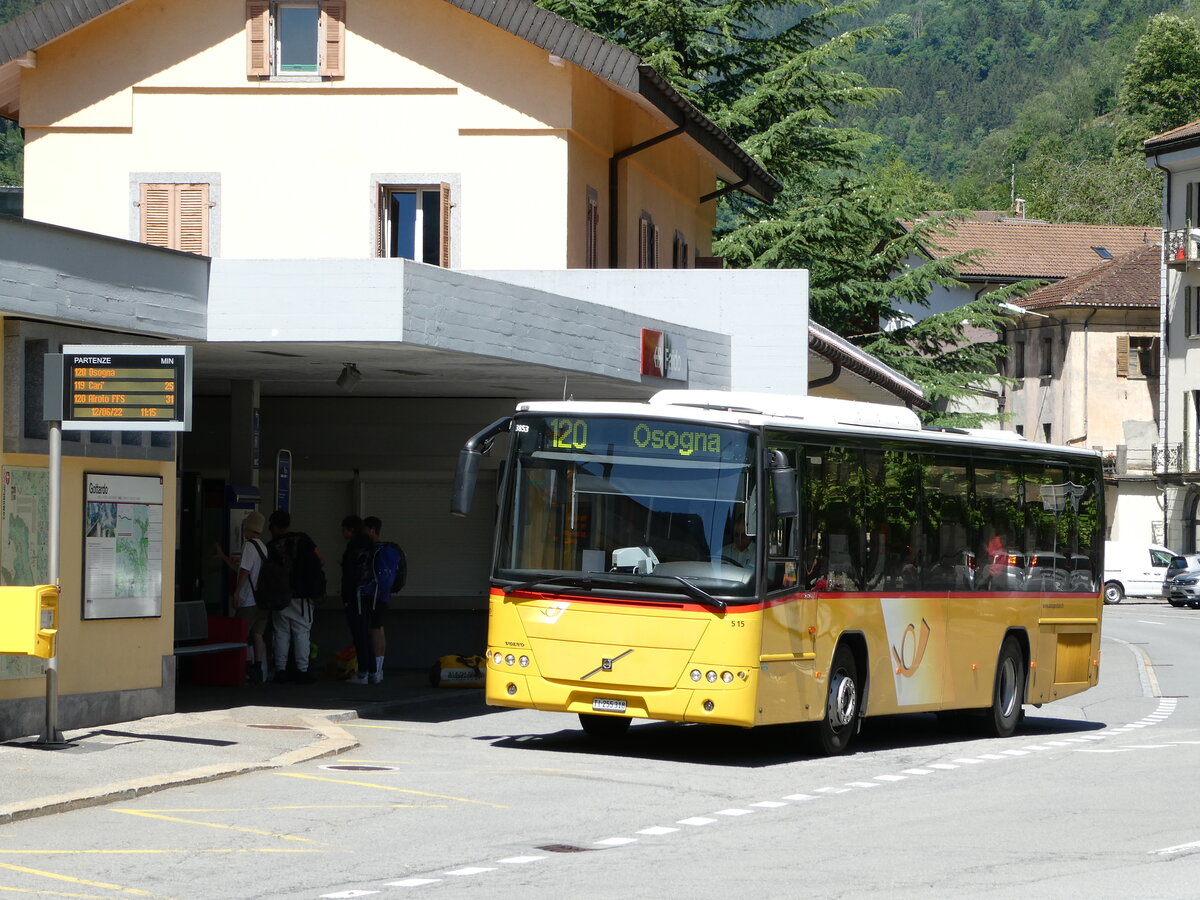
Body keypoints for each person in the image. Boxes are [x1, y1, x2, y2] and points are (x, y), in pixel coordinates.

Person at [266, 509, 324, 683]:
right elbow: (321, 560)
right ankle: (302, 670)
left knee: (280, 632)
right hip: (303, 595)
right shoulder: (303, 539)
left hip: (280, 596)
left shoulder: (271, 546)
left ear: (274, 526)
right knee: (301, 633)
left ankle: (280, 670)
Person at [214, 511, 270, 684]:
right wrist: (223, 557)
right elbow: (241, 568)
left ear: (249, 528)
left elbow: (244, 572)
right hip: (263, 600)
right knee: (258, 635)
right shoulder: (263, 547)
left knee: (241, 636)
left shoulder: (248, 546)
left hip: (249, 601)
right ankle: (258, 669)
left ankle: (243, 669)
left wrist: (237, 592)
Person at [359, 516, 402, 684]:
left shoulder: (377, 550)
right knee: (379, 627)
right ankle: (378, 668)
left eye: (364, 529)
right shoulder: (386, 550)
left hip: (374, 594)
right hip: (383, 595)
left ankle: (375, 670)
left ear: (371, 529)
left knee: (374, 629)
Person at [340, 515, 375, 685]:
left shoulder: (354, 547)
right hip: (370, 594)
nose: (342, 533)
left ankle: (362, 673)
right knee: (366, 634)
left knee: (359, 634)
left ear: (350, 529)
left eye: (344, 529)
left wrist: (346, 597)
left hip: (356, 596)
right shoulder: (370, 545)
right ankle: (373, 672)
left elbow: (349, 575)